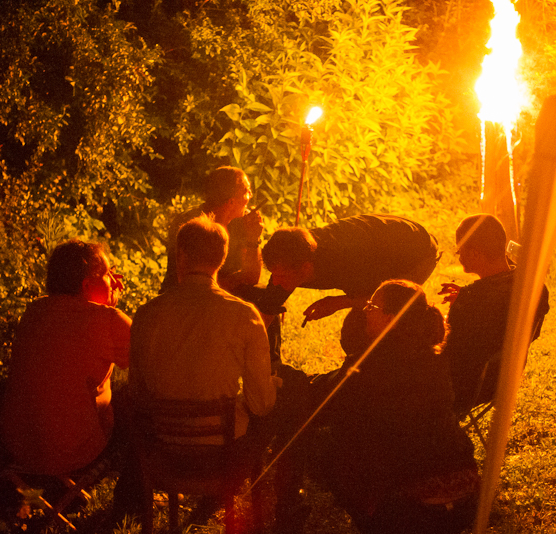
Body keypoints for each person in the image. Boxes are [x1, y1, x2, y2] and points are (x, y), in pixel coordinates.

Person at [310, 280, 478, 534]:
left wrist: (289, 381)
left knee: (327, 450)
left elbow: (323, 399)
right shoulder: (436, 356)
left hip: (412, 509)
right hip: (467, 494)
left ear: (391, 318)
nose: (365, 313)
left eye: (372, 307)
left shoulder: (371, 362)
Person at [130, 216, 278, 443]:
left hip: (161, 444)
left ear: (181, 256)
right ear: (222, 258)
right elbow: (261, 405)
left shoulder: (146, 314)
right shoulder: (245, 315)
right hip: (220, 444)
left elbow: (137, 393)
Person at [1, 240, 131, 477]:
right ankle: (132, 499)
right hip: (70, 452)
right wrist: (113, 310)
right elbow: (154, 357)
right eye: (107, 273)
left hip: (18, 447)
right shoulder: (105, 319)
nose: (114, 281)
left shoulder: (33, 312)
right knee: (136, 398)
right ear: (86, 285)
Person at [260, 214, 439, 354]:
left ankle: (387, 375)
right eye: (273, 275)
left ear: (306, 269)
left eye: (282, 276)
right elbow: (268, 307)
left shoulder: (345, 261)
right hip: (380, 244)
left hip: (415, 250)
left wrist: (337, 302)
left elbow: (376, 297)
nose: (276, 281)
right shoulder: (290, 256)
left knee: (364, 328)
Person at [439, 214, 549, 413]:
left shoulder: (472, 301)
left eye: (460, 251)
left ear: (476, 254)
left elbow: (450, 353)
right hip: (503, 379)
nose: (459, 257)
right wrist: (465, 297)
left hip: (464, 388)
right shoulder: (533, 286)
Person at [162, 166, 263, 295]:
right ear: (231, 202)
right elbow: (187, 282)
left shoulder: (242, 224)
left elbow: (252, 277)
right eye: (246, 190)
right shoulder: (192, 226)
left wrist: (253, 238)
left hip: (222, 294)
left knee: (267, 301)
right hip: (184, 297)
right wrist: (234, 280)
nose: (250, 195)